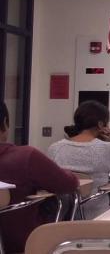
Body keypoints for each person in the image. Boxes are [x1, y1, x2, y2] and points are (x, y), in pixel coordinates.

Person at [0, 101, 79, 253]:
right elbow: (68, 184)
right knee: (65, 198)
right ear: (5, 123)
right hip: (24, 243)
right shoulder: (26, 156)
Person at [47, 101, 110, 219]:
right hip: (97, 216)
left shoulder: (55, 148)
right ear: (101, 124)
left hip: (62, 217)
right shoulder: (106, 148)